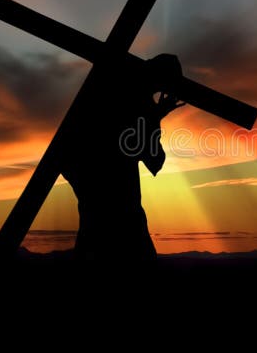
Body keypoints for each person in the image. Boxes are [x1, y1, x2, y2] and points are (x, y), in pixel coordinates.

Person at [59, 53, 185, 267]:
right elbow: (155, 161)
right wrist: (155, 118)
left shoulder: (109, 87)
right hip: (122, 210)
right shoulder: (139, 103)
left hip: (97, 206)